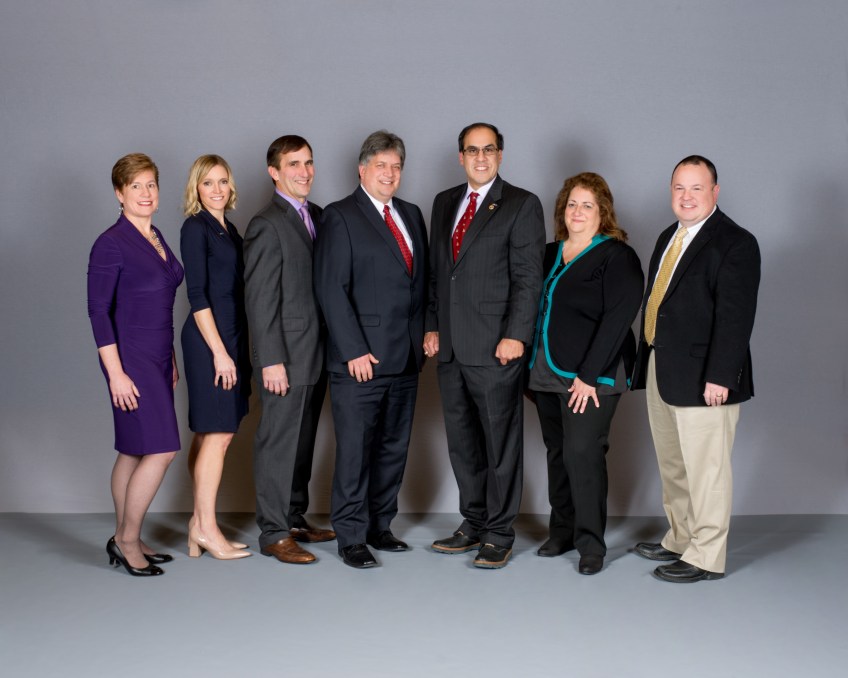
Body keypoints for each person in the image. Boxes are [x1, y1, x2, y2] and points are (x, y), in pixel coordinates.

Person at [631, 155, 760, 583]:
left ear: (715, 192)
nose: (686, 197)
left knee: (707, 470)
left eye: (696, 188)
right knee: (674, 465)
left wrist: (721, 376)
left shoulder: (736, 242)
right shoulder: (669, 235)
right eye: (679, 188)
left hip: (707, 376)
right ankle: (681, 537)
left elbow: (736, 318)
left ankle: (706, 556)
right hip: (661, 366)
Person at [425, 122, 545, 568]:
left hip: (497, 347)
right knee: (463, 445)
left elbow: (528, 278)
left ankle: (499, 532)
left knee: (500, 445)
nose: (480, 158)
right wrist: (432, 325)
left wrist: (516, 335)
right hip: (451, 349)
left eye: (488, 150)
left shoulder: (521, 204)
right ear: (460, 157)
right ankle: (472, 522)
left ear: (500, 155)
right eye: (472, 150)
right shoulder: (444, 202)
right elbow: (438, 273)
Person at [314, 130, 428, 569]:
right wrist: (353, 350)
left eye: (396, 166)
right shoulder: (340, 216)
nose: (389, 174)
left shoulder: (411, 214)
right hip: (360, 360)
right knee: (355, 451)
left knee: (392, 448)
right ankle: (350, 536)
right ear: (362, 170)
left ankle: (380, 525)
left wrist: (427, 332)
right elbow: (331, 288)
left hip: (405, 357)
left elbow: (421, 284)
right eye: (381, 165)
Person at [528, 173, 643, 575]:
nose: (577, 212)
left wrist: (589, 376)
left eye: (587, 205)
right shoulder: (548, 253)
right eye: (572, 204)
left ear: (602, 211)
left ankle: (590, 544)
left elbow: (618, 319)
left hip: (593, 376)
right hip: (545, 371)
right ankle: (561, 531)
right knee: (558, 453)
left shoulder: (617, 256)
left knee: (583, 454)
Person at [87, 153, 184, 576]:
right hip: (130, 358)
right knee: (162, 449)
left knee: (132, 449)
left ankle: (127, 534)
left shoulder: (155, 234)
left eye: (151, 185)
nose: (145, 193)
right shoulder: (110, 243)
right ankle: (126, 540)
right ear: (119, 193)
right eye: (135, 186)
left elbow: (160, 304)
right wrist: (116, 374)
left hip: (159, 355)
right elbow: (98, 312)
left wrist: (172, 357)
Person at [243, 135, 335, 565]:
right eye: (294, 164)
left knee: (302, 443)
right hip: (285, 357)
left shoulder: (317, 215)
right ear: (274, 172)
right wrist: (271, 360)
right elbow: (260, 300)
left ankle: (294, 519)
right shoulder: (266, 224)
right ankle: (274, 533)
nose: (304, 171)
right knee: (278, 444)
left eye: (309, 162)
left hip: (316, 353)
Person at [180, 155, 252, 560]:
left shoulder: (230, 229)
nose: (217, 189)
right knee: (218, 433)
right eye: (208, 182)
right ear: (196, 188)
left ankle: (198, 524)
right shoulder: (195, 227)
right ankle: (207, 529)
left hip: (231, 338)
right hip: (210, 341)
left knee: (210, 433)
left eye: (223, 181)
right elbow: (197, 296)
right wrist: (220, 353)